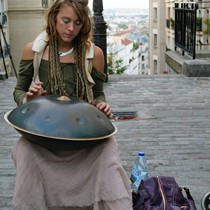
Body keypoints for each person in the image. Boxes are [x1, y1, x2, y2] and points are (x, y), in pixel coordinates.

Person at [12, 0, 133, 210]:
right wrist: (29, 98)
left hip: (82, 134)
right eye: (65, 21)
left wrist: (101, 106)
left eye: (77, 23)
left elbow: (99, 94)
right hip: (46, 133)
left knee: (108, 150)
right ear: (54, 17)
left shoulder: (93, 54)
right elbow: (18, 91)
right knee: (24, 150)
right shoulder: (34, 50)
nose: (71, 29)